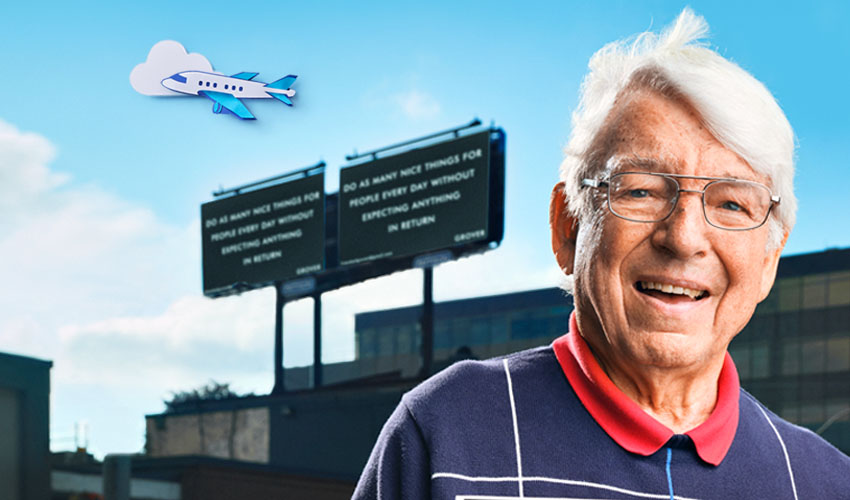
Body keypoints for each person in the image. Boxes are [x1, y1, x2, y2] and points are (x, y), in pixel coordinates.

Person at [353, 9, 850, 499]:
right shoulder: (444, 433)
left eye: (732, 203)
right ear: (567, 226)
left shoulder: (827, 483)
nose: (683, 238)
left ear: (768, 261)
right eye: (641, 191)